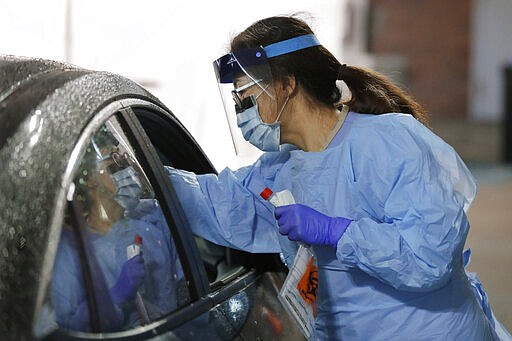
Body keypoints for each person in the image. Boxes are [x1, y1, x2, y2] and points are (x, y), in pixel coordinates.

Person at [164, 15, 511, 340]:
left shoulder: (388, 143)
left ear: (286, 85)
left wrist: (337, 231)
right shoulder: (281, 168)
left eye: (246, 96)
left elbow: (429, 258)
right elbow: (221, 204)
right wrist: (134, 178)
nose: (242, 112)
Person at [52, 125, 182, 332]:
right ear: (89, 180)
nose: (127, 171)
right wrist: (115, 295)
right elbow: (63, 329)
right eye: (113, 163)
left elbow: (183, 295)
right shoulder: (66, 255)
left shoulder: (151, 221)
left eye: (123, 159)